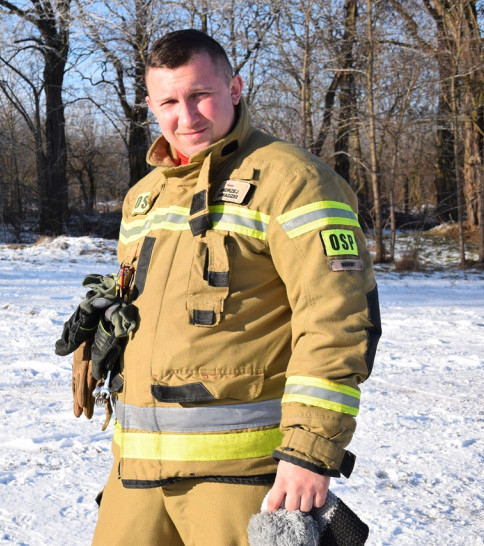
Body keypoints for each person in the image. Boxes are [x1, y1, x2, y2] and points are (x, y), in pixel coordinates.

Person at [88, 29, 381, 545]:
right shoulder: (144, 198)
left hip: (246, 475)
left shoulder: (294, 181)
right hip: (136, 474)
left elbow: (338, 322)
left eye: (200, 95)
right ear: (152, 108)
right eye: (169, 102)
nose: (187, 117)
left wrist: (310, 454)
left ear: (236, 88)